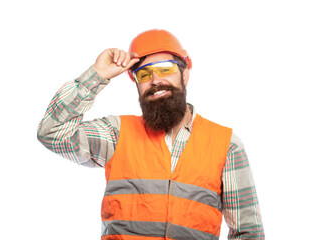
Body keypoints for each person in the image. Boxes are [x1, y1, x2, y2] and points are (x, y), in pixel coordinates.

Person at [37, 29, 265, 240]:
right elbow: (52, 133)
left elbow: (248, 233)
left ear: (185, 74)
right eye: (144, 74)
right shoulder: (115, 134)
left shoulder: (227, 146)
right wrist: (97, 76)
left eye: (165, 69)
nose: (156, 81)